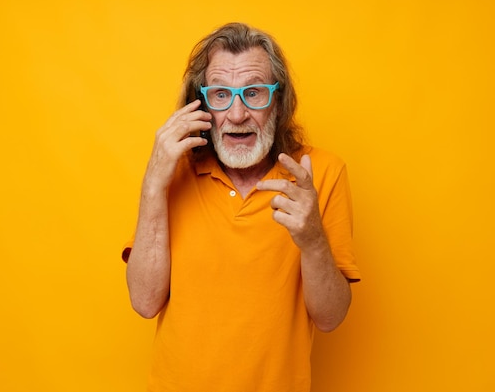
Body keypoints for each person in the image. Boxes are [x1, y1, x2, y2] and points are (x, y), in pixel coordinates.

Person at [122, 22, 360, 392]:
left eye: (254, 93)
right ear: (199, 105)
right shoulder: (172, 174)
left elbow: (330, 317)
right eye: (220, 94)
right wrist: (154, 183)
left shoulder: (320, 175)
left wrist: (312, 238)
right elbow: (144, 300)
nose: (236, 114)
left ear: (278, 102)